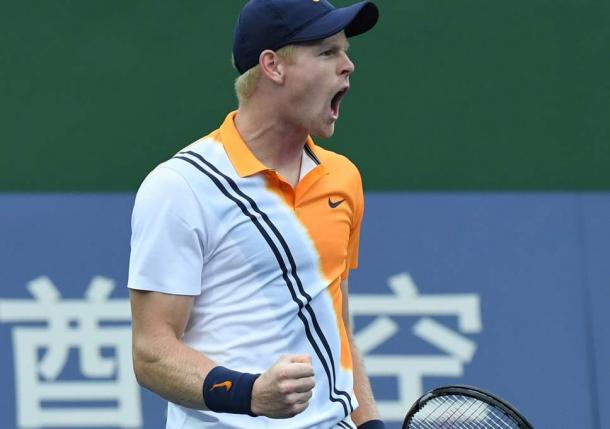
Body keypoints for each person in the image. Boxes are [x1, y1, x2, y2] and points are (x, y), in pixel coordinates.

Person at [127, 1, 382, 428]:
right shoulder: (181, 187)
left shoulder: (343, 178)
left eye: (346, 50)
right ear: (273, 67)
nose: (348, 65)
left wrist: (369, 422)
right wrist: (249, 394)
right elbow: (151, 352)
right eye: (327, 52)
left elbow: (336, 324)